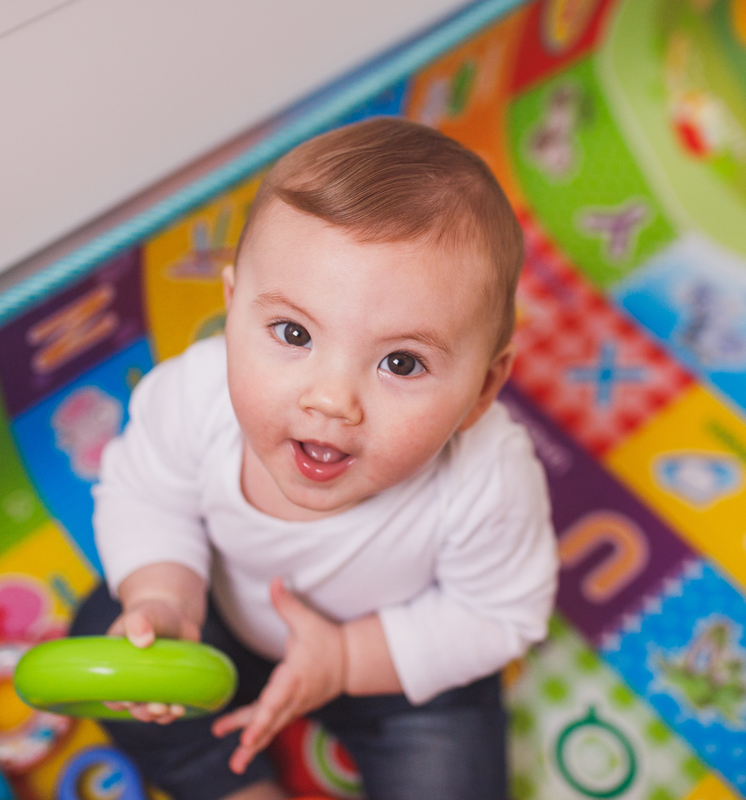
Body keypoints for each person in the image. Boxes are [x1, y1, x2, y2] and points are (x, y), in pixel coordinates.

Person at [72, 117, 557, 800]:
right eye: (293, 332)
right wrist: (163, 596)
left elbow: (500, 614)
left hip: (395, 667)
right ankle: (231, 783)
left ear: (481, 390)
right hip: (221, 620)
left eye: (401, 361)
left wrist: (348, 660)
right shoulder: (194, 394)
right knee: (109, 635)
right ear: (233, 307)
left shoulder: (488, 476)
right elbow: (144, 495)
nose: (331, 400)